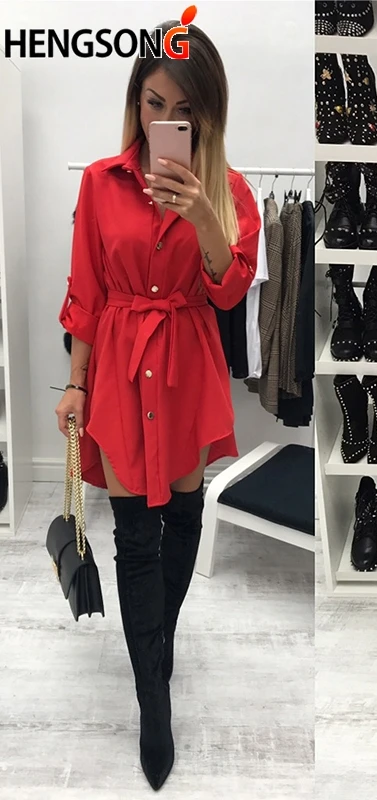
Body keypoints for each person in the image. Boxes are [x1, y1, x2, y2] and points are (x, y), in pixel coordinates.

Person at [55, 21, 260, 792]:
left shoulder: (231, 192)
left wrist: (205, 215)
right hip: (118, 370)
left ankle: (157, 643)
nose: (165, 120)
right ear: (135, 102)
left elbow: (229, 291)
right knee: (135, 536)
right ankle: (153, 698)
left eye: (183, 108)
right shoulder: (100, 182)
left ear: (207, 113)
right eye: (153, 103)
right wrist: (76, 383)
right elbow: (85, 294)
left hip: (186, 370)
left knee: (183, 516)